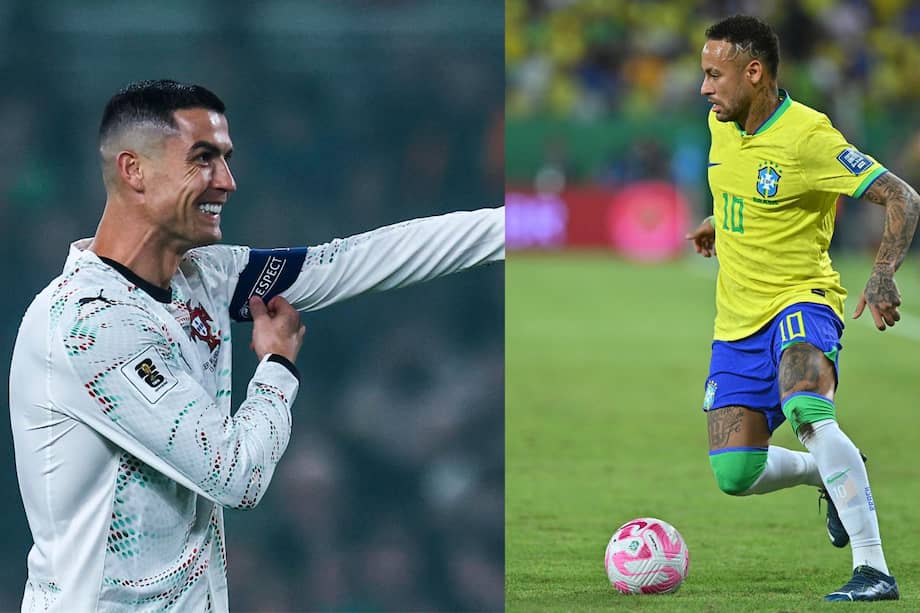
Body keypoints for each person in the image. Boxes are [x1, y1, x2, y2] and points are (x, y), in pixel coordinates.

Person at [8, 79, 504, 612]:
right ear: (135, 171)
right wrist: (276, 368)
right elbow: (235, 474)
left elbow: (357, 260)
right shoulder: (91, 326)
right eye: (204, 159)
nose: (228, 181)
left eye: (226, 158)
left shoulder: (205, 277)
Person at [686, 15, 918, 602]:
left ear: (754, 71)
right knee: (735, 474)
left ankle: (874, 570)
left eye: (715, 74)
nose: (705, 87)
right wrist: (720, 223)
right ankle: (834, 471)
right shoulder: (721, 125)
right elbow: (743, 193)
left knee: (808, 410)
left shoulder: (809, 137)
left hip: (801, 301)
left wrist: (884, 272)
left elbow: (901, 196)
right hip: (735, 320)